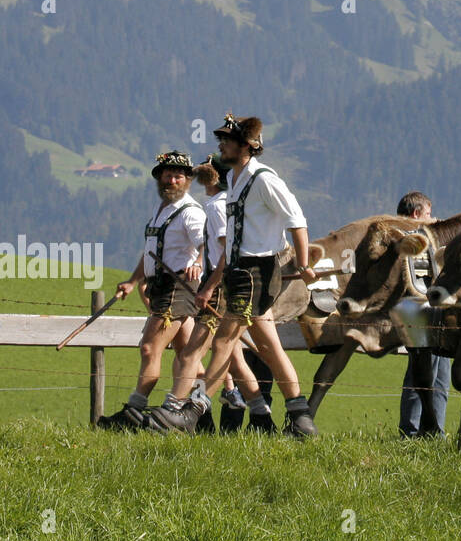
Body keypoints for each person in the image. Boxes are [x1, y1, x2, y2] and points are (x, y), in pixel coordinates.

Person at [151, 114, 318, 436]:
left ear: (246, 146)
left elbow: (296, 219)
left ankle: (194, 408)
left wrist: (302, 263)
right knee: (269, 347)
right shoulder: (238, 181)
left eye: (227, 140)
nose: (220, 145)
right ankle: (300, 416)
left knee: (225, 339)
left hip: (257, 271)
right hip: (240, 270)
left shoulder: (265, 179)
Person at [96, 151, 207, 431]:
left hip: (178, 287)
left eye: (178, 175)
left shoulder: (191, 212)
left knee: (149, 348)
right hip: (161, 287)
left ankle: (134, 411)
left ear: (188, 180)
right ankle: (202, 417)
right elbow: (150, 253)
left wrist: (198, 261)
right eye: (167, 175)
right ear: (159, 178)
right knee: (186, 354)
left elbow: (207, 243)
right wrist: (133, 282)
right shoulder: (162, 211)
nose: (171, 180)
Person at [192, 156, 267, 433]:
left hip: (219, 285)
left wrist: (210, 286)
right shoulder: (227, 203)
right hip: (224, 282)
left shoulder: (215, 206)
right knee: (232, 355)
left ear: (211, 178)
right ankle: (258, 411)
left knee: (190, 354)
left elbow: (226, 251)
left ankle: (185, 407)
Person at [395, 191, 451, 437]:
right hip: (417, 312)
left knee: (441, 376)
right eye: (429, 213)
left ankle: (434, 429)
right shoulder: (406, 239)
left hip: (435, 312)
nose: (434, 218)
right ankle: (412, 429)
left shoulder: (425, 239)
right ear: (417, 214)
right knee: (423, 371)